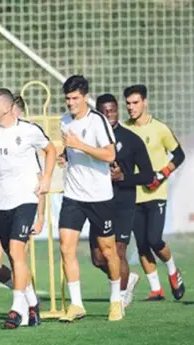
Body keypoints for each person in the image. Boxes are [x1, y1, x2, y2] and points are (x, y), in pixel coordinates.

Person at [0, 88, 55, 328]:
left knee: (17, 252)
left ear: (6, 107)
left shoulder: (28, 130)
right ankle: (32, 301)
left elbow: (51, 150)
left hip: (25, 200)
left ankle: (17, 309)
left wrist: (46, 179)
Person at [57, 75, 123, 323]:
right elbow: (67, 150)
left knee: (107, 251)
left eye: (74, 98)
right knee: (65, 247)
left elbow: (109, 155)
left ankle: (116, 299)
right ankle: (76, 304)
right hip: (73, 195)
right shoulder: (64, 121)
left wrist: (80, 145)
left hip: (99, 197)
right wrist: (65, 155)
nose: (70, 103)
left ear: (85, 97)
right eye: (67, 98)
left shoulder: (98, 121)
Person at [123, 84, 187, 301]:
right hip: (133, 195)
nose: (131, 107)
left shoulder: (159, 128)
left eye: (135, 102)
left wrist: (161, 175)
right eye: (128, 103)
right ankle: (156, 290)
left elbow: (179, 155)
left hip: (156, 194)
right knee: (141, 243)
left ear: (145, 102)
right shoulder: (124, 129)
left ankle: (173, 271)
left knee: (154, 239)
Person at [91, 94, 154, 308]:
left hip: (124, 204)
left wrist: (123, 177)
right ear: (97, 113)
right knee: (98, 258)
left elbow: (148, 176)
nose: (108, 114)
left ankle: (119, 298)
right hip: (97, 203)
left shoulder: (130, 139)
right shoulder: (90, 139)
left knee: (118, 252)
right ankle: (128, 280)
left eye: (112, 110)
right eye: (103, 111)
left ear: (117, 111)